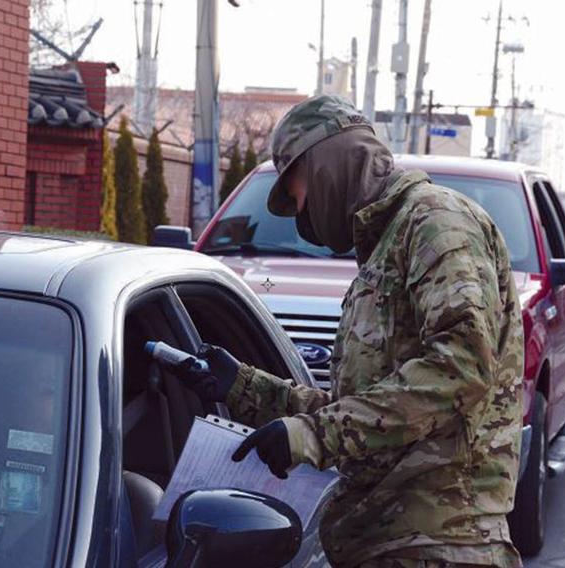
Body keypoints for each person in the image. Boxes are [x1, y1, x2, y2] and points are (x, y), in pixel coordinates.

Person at [182, 95, 525, 568]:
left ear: (325, 166)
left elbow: (462, 368)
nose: (302, 215)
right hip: (385, 543)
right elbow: (372, 409)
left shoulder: (435, 224)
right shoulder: (383, 248)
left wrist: (313, 436)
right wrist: (248, 388)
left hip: (440, 546)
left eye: (297, 193)